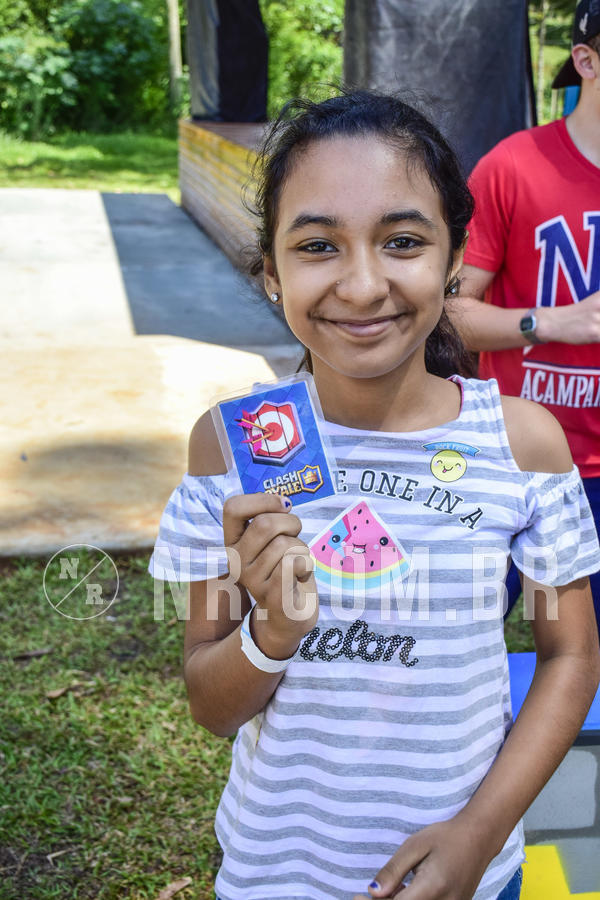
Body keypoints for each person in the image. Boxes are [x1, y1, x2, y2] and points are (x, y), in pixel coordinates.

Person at [149, 90, 600, 900]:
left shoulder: (523, 446)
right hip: (277, 874)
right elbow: (212, 707)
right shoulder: (228, 447)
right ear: (271, 274)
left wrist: (477, 836)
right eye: (318, 245)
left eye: (401, 241)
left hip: (466, 870)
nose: (362, 286)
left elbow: (571, 654)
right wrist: (272, 633)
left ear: (455, 255)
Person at [447, 0, 600, 627]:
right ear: (587, 60)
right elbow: (447, 313)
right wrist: (553, 321)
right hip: (519, 463)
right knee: (456, 634)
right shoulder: (514, 166)